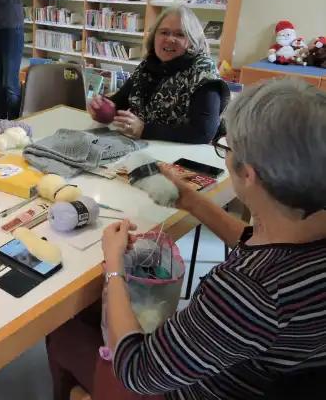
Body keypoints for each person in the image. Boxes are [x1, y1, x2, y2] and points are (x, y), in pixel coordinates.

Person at [48, 78, 326, 400]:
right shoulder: (300, 235)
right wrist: (190, 200)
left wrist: (114, 267)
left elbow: (137, 369)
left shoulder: (249, 292)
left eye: (227, 147)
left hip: (196, 389)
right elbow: (255, 244)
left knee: (64, 333)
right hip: (270, 372)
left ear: (248, 174)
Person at [88, 6, 229, 144]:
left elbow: (204, 131)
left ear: (192, 41)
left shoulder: (204, 71)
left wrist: (144, 129)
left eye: (180, 34)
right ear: (154, 36)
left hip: (186, 156)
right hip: (148, 148)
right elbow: (119, 102)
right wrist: (102, 108)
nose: (170, 39)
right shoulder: (148, 65)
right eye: (164, 32)